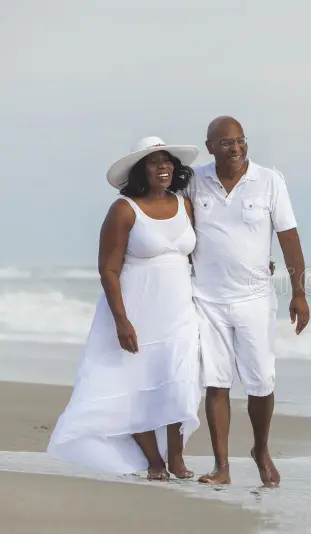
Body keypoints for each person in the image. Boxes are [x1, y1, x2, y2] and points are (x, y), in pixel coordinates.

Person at [47, 136, 203, 481]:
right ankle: (155, 461)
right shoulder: (124, 210)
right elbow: (108, 269)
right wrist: (121, 320)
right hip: (137, 312)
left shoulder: (184, 205)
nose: (163, 167)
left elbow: (200, 258)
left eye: (167, 161)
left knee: (179, 381)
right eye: (153, 162)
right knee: (136, 384)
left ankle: (176, 456)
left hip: (179, 312)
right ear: (139, 171)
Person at [181, 116, 309, 487]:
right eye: (226, 143)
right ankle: (222, 466)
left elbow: (289, 238)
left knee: (261, 381)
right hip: (206, 299)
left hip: (254, 298)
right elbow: (174, 224)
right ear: (210, 148)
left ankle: (261, 449)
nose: (235, 148)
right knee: (216, 382)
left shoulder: (270, 181)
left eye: (240, 141)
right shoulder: (193, 181)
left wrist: (298, 292)